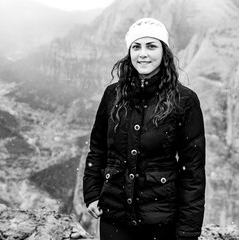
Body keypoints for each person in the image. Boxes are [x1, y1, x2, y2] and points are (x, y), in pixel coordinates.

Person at [83, 18, 206, 240]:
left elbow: (193, 170)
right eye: (136, 46)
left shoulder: (184, 100)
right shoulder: (112, 95)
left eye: (152, 46)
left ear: (164, 51)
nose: (143, 54)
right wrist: (92, 193)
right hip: (114, 216)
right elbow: (98, 148)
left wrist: (188, 231)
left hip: (161, 219)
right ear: (129, 51)